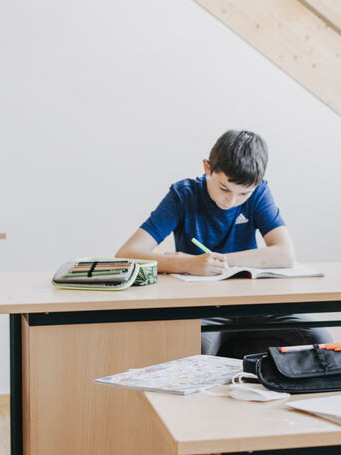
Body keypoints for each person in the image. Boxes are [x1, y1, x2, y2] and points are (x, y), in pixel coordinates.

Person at [116, 129, 329, 356]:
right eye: (224, 188)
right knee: (195, 350)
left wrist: (221, 260)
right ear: (208, 168)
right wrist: (189, 264)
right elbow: (127, 254)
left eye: (243, 194)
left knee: (319, 340)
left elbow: (285, 254)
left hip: (253, 303)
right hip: (205, 306)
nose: (231, 201)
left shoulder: (259, 193)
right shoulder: (183, 195)